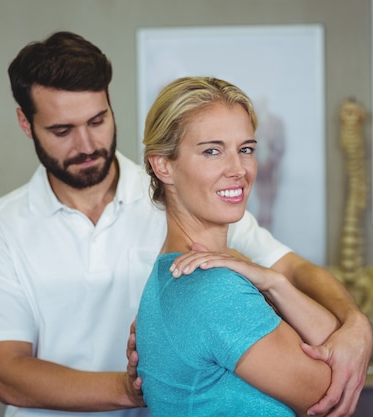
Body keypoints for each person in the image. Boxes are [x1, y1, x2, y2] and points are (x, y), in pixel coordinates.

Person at [0, 30, 372, 417]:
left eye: (97, 121)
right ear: (25, 123)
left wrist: (356, 326)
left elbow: (294, 270)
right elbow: (9, 374)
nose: (86, 144)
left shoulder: (185, 195)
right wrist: (142, 384)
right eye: (62, 130)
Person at [136, 76, 339, 417]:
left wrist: (273, 280)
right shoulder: (211, 288)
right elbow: (335, 386)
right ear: (163, 165)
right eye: (212, 151)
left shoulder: (170, 274)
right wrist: (274, 284)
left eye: (245, 149)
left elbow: (337, 346)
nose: (239, 169)